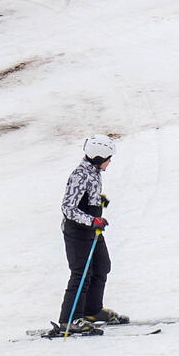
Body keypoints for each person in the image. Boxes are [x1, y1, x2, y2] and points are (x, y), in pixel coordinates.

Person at [47, 134, 129, 337]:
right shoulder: (80, 175)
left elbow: (87, 198)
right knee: (81, 273)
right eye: (108, 158)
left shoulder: (93, 172)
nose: (110, 162)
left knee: (102, 266)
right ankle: (69, 320)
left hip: (92, 230)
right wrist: (92, 220)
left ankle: (92, 311)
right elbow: (68, 208)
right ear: (99, 156)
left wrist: (98, 203)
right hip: (77, 232)